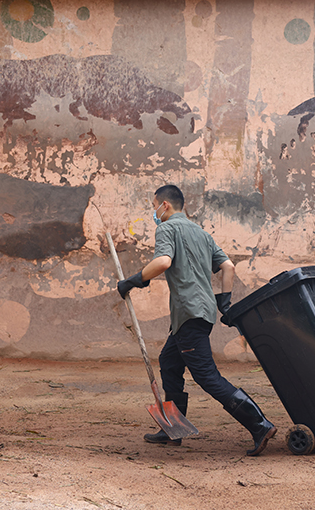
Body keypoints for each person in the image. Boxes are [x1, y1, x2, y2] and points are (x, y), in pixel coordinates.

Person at [116, 185, 277, 456]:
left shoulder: (166, 228)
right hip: (197, 313)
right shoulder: (202, 234)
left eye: (155, 205)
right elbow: (228, 267)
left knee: (207, 377)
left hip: (189, 313)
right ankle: (173, 429)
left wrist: (133, 281)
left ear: (164, 206)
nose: (154, 211)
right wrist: (224, 300)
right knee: (169, 362)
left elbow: (164, 262)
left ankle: (259, 424)